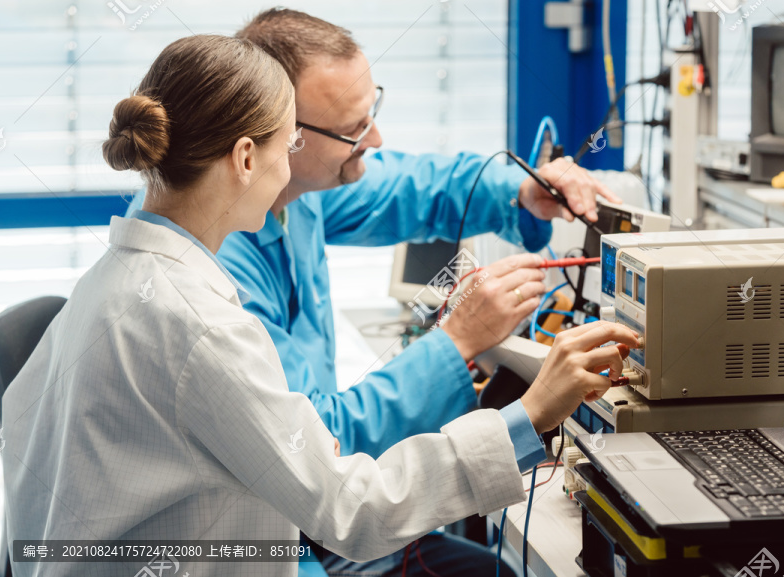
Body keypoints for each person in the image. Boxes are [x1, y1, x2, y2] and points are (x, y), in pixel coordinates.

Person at [2, 34, 640, 577]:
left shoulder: (122, 272)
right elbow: (350, 510)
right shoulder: (200, 325)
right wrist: (528, 415)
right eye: (287, 148)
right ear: (246, 159)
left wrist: (517, 186)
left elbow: (405, 186)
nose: (295, 174)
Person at [206, 10, 622, 574]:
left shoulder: (290, 193)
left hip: (321, 519)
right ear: (281, 137)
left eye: (371, 111)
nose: (374, 139)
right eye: (354, 130)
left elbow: (411, 186)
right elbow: (317, 443)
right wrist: (457, 339)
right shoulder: (217, 264)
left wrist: (521, 187)